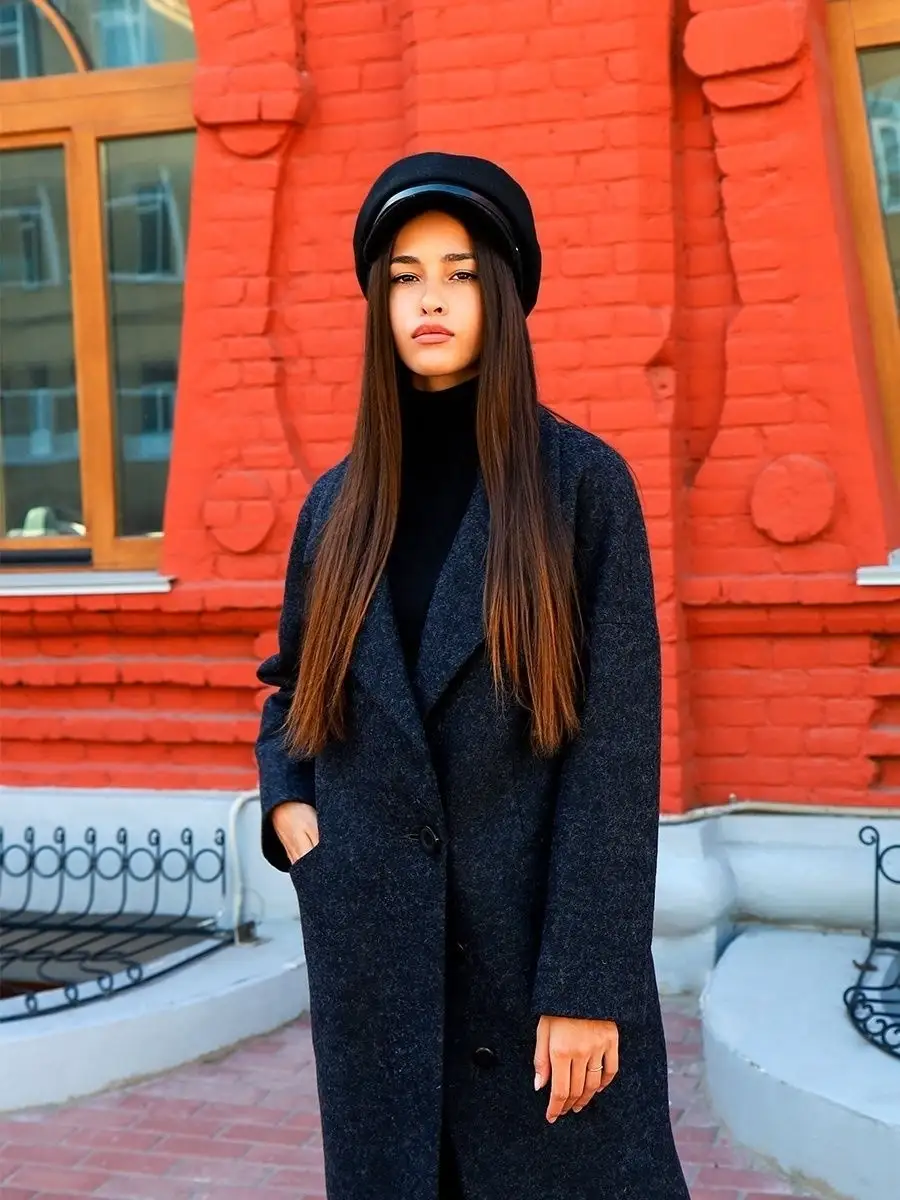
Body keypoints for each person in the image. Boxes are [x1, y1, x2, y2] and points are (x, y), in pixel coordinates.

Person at [255, 151, 690, 1200]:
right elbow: (292, 687)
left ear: (502, 292)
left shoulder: (581, 488)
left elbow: (616, 752)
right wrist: (291, 807)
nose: (431, 299)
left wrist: (587, 982)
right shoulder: (336, 506)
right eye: (405, 276)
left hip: (533, 971)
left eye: (457, 273)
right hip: (375, 969)